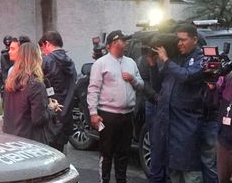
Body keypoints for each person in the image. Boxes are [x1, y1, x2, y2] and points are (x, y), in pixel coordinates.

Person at [152, 24, 206, 183]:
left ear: (194, 39)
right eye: (178, 40)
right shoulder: (177, 58)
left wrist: (166, 60)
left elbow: (186, 76)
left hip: (187, 125)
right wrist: (152, 64)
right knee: (173, 171)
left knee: (190, 172)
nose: (179, 44)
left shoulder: (200, 58)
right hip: (169, 123)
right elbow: (157, 84)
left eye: (183, 40)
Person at [88, 30, 143, 183]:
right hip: (108, 115)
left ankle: (121, 180)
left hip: (127, 115)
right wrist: (93, 112)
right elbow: (93, 89)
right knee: (106, 153)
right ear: (113, 43)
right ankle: (104, 180)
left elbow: (141, 84)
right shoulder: (101, 63)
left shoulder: (131, 62)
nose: (125, 43)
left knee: (123, 152)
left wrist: (133, 79)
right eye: (123, 40)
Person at [3, 41, 59, 141]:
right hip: (30, 141)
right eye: (40, 55)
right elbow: (38, 119)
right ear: (36, 58)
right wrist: (51, 109)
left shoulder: (9, 82)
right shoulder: (36, 85)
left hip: (10, 138)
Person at [40, 30, 78, 152]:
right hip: (66, 114)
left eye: (42, 48)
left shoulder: (46, 61)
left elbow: (39, 87)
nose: (42, 52)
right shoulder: (70, 62)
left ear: (47, 43)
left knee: (48, 153)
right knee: (61, 152)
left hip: (51, 113)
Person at [216, 46, 232, 183]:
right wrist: (212, 88)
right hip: (224, 142)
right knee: (223, 179)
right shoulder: (229, 78)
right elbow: (214, 103)